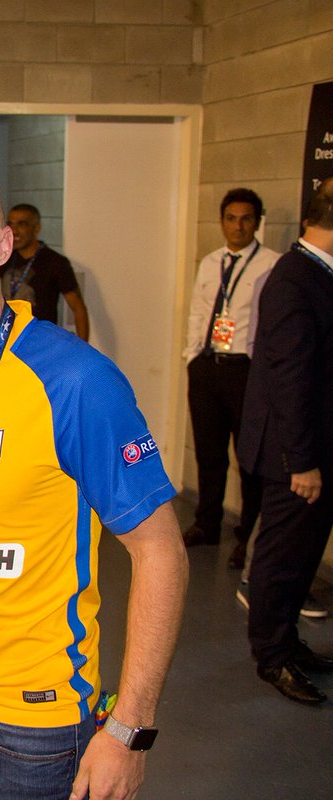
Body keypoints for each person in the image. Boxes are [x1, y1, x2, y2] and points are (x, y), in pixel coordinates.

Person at [0, 158, 187, 799]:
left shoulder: (74, 381)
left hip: (33, 728)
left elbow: (160, 551)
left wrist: (129, 729)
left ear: (2, 246)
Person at [237, 176, 333, 705]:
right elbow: (291, 377)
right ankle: (271, 657)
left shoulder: (314, 274)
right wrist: (302, 461)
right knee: (281, 557)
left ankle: (289, 642)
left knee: (301, 556)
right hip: (292, 454)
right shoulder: (295, 279)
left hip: (311, 448)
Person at [181, 188, 279, 567]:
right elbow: (198, 312)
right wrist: (192, 357)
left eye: (246, 219)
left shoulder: (271, 264)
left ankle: (247, 535)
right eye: (230, 218)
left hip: (245, 371)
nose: (237, 226)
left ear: (257, 222)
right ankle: (207, 522)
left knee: (249, 457)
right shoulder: (210, 262)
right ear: (222, 221)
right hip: (207, 366)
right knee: (208, 451)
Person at [1, 203, 90, 341]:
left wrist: (82, 351)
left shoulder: (55, 262)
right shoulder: (3, 257)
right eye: (11, 224)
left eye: (22, 224)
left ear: (37, 228)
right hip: (3, 338)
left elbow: (78, 308)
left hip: (40, 342)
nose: (14, 230)